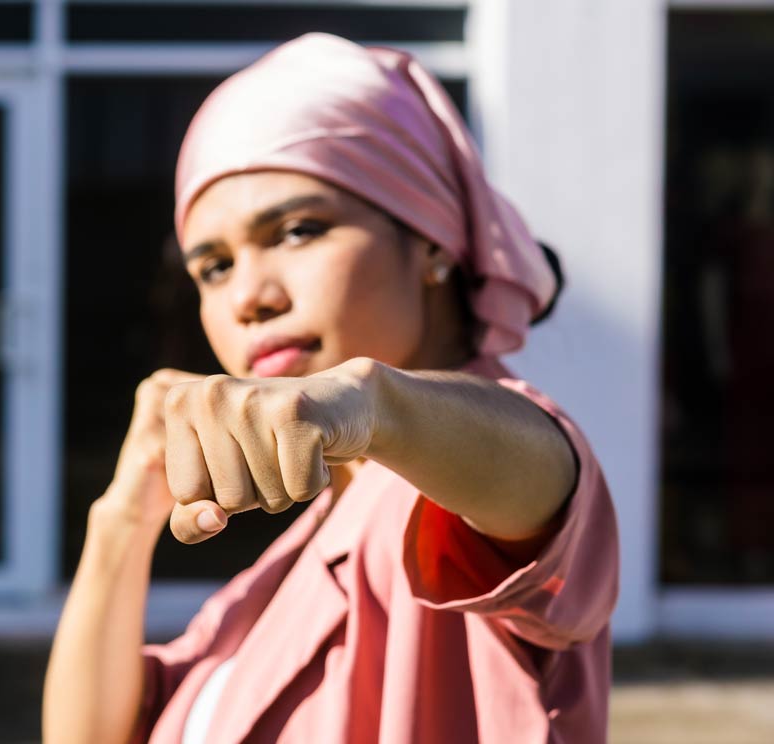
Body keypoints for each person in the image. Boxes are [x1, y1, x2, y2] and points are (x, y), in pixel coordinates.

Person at [44, 33, 618, 744]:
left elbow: (546, 481)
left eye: (297, 230)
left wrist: (373, 403)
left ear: (433, 237)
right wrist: (126, 513)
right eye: (214, 267)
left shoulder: (451, 492)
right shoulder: (293, 553)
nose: (249, 296)